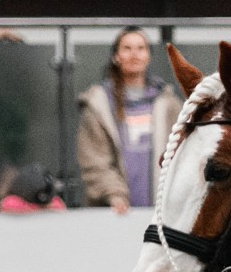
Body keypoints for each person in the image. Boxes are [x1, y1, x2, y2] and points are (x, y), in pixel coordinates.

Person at [78, 26, 181, 214]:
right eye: (127, 48)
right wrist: (115, 194)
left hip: (162, 214)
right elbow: (94, 162)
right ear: (116, 56)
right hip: (113, 213)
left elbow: (183, 157)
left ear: (148, 56)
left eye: (141, 48)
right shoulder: (98, 105)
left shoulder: (168, 104)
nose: (135, 54)